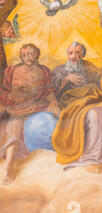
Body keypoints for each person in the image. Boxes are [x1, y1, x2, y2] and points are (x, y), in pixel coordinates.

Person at [51, 42, 102, 168]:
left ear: (83, 55)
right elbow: (52, 89)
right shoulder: (60, 69)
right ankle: (92, 156)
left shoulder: (89, 67)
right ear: (67, 54)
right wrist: (66, 79)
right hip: (72, 104)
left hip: (93, 99)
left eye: (77, 53)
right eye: (71, 53)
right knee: (93, 116)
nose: (74, 56)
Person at [0, 43, 58, 185]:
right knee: (11, 122)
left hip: (35, 105)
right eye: (24, 54)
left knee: (19, 123)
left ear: (37, 54)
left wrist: (55, 104)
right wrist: (9, 97)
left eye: (31, 53)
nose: (27, 57)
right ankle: (8, 165)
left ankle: (10, 166)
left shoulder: (43, 71)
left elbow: (48, 91)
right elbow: (3, 90)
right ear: (21, 56)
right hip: (15, 105)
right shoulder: (11, 70)